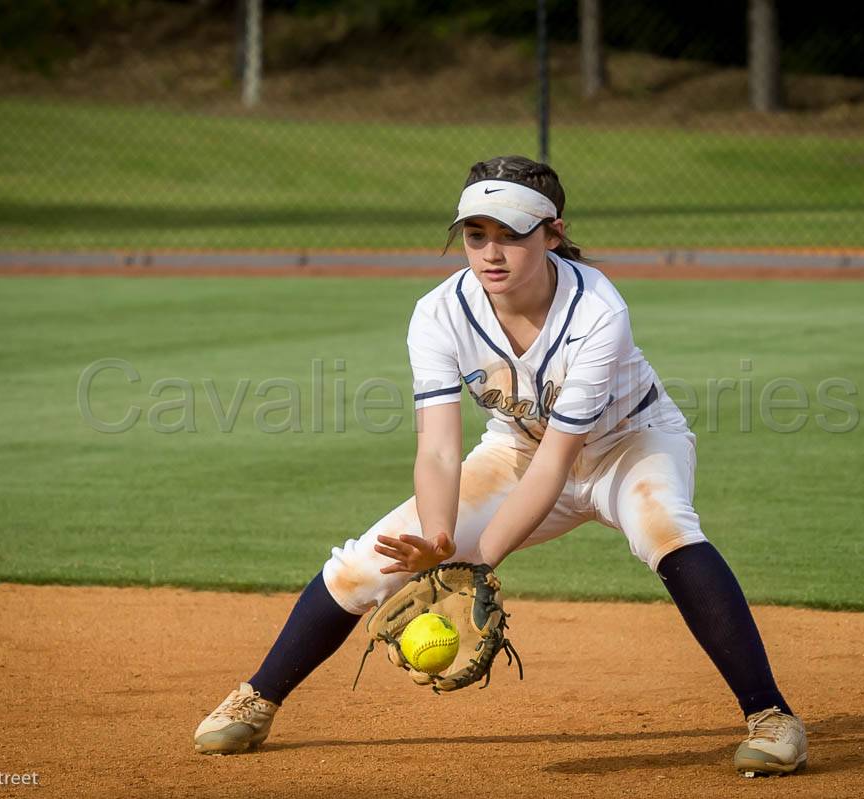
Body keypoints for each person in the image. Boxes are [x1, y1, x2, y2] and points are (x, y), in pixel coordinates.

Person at [193, 155, 808, 777]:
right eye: (476, 234)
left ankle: (772, 717)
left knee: (665, 529)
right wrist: (437, 538)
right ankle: (257, 698)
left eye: (512, 234)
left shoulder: (597, 311)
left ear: (553, 234)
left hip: (631, 442)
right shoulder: (439, 312)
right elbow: (437, 447)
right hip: (516, 449)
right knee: (366, 563)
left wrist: (477, 561)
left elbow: (562, 459)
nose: (491, 252)